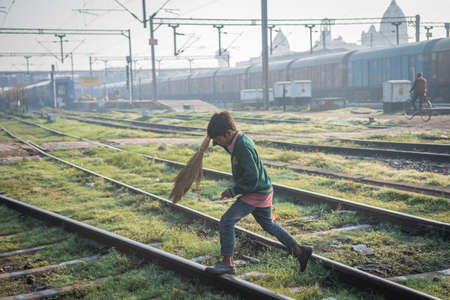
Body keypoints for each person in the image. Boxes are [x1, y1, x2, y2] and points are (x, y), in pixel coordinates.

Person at [205, 111, 312, 275]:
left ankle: (228, 263)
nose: (219, 144)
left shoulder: (242, 146)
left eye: (219, 140)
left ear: (228, 133)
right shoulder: (238, 139)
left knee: (226, 221)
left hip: (254, 192)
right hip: (263, 189)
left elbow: (252, 177)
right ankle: (299, 251)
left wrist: (233, 191)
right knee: (268, 225)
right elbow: (230, 148)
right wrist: (212, 136)